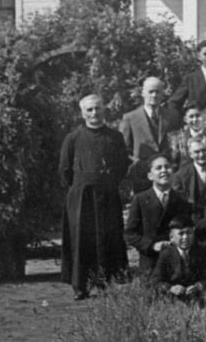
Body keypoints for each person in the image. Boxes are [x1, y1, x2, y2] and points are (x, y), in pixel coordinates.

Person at [59, 94, 130, 300]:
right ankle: (80, 286)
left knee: (108, 238)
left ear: (104, 110)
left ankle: (105, 283)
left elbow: (122, 166)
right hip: (81, 197)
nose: (94, 113)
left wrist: (107, 183)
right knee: (81, 239)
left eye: (97, 108)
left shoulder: (115, 137)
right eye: (89, 109)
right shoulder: (73, 138)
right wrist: (81, 186)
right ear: (82, 113)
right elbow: (64, 170)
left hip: (107, 195)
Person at [124, 154, 193, 273]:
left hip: (175, 263)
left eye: (167, 167)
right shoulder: (140, 199)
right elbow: (130, 234)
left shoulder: (181, 200)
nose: (164, 171)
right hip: (150, 262)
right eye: (158, 168)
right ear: (150, 176)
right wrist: (152, 245)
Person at [120, 77, 181, 193]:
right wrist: (136, 164)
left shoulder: (172, 116)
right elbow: (124, 149)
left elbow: (177, 144)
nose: (154, 95)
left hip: (166, 174)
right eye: (150, 92)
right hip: (141, 175)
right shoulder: (130, 118)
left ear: (163, 94)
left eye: (158, 92)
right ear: (143, 93)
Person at [152, 216, 206, 306]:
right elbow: (156, 279)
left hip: (195, 293)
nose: (185, 237)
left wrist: (198, 286)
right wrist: (171, 288)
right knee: (160, 296)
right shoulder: (166, 254)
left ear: (193, 234)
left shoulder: (201, 252)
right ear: (171, 237)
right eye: (181, 234)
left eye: (189, 233)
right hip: (174, 293)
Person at [172, 136, 206, 209]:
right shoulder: (180, 176)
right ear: (190, 154)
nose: (201, 155)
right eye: (197, 152)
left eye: (205, 150)